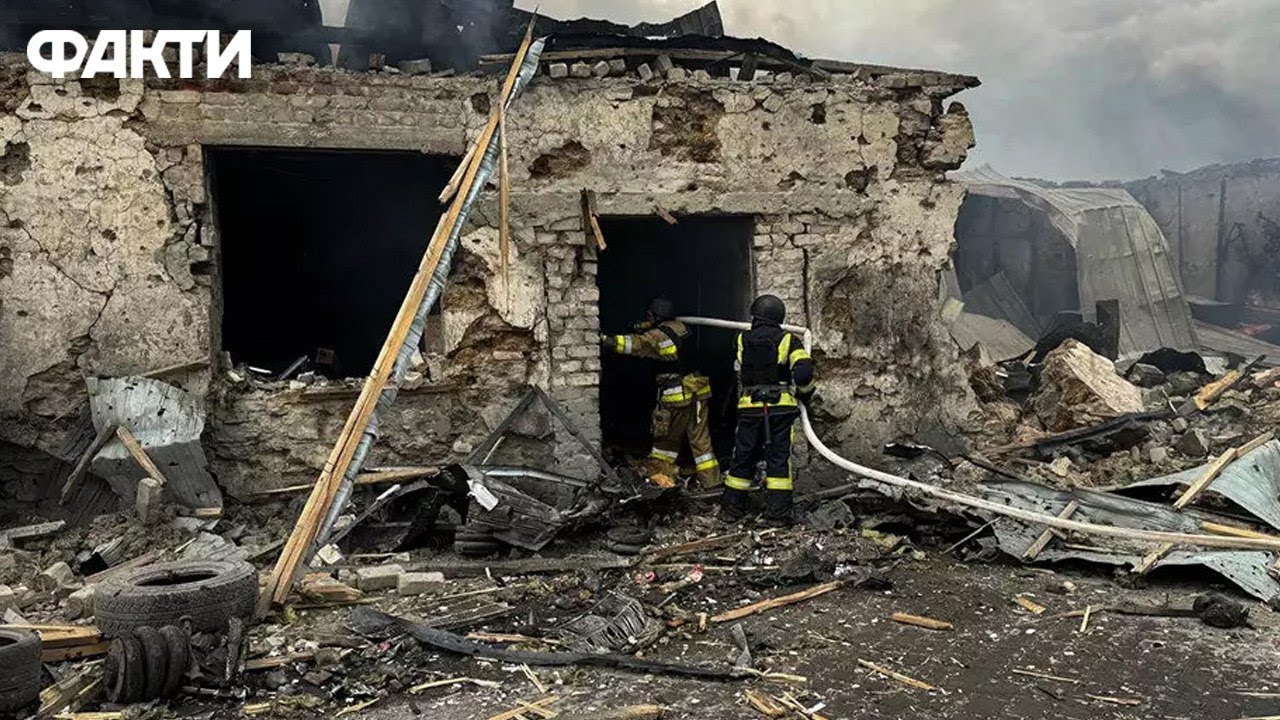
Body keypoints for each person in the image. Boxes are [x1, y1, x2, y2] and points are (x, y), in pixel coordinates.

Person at [601, 298, 721, 488]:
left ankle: (661, 482)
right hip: (698, 392)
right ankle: (712, 483)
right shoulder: (682, 328)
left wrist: (607, 340)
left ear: (655, 316)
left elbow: (637, 344)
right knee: (701, 443)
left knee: (664, 444)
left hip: (677, 396)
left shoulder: (659, 336)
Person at [722, 294, 816, 525]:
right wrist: (804, 394)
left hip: (749, 408)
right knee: (778, 459)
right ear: (779, 317)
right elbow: (804, 372)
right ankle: (778, 513)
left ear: (755, 316)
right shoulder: (788, 340)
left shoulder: (741, 339)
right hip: (780, 409)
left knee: (743, 456)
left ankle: (732, 509)